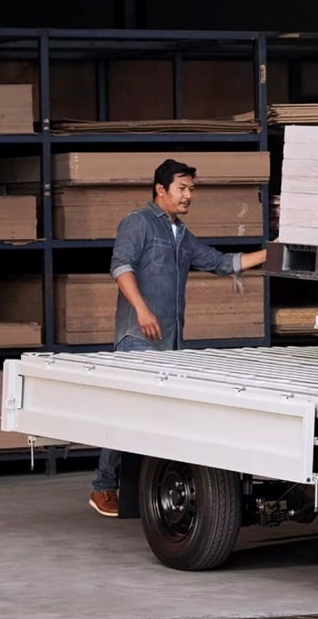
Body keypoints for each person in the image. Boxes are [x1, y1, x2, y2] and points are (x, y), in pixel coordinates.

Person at [89, 159, 267, 517]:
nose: (189, 196)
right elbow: (120, 266)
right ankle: (103, 486)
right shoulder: (137, 223)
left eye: (192, 190)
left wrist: (273, 252)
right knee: (126, 412)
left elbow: (222, 263)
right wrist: (141, 310)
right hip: (136, 338)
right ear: (161, 189)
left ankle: (145, 490)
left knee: (152, 417)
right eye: (182, 188)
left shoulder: (182, 236)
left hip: (169, 344)